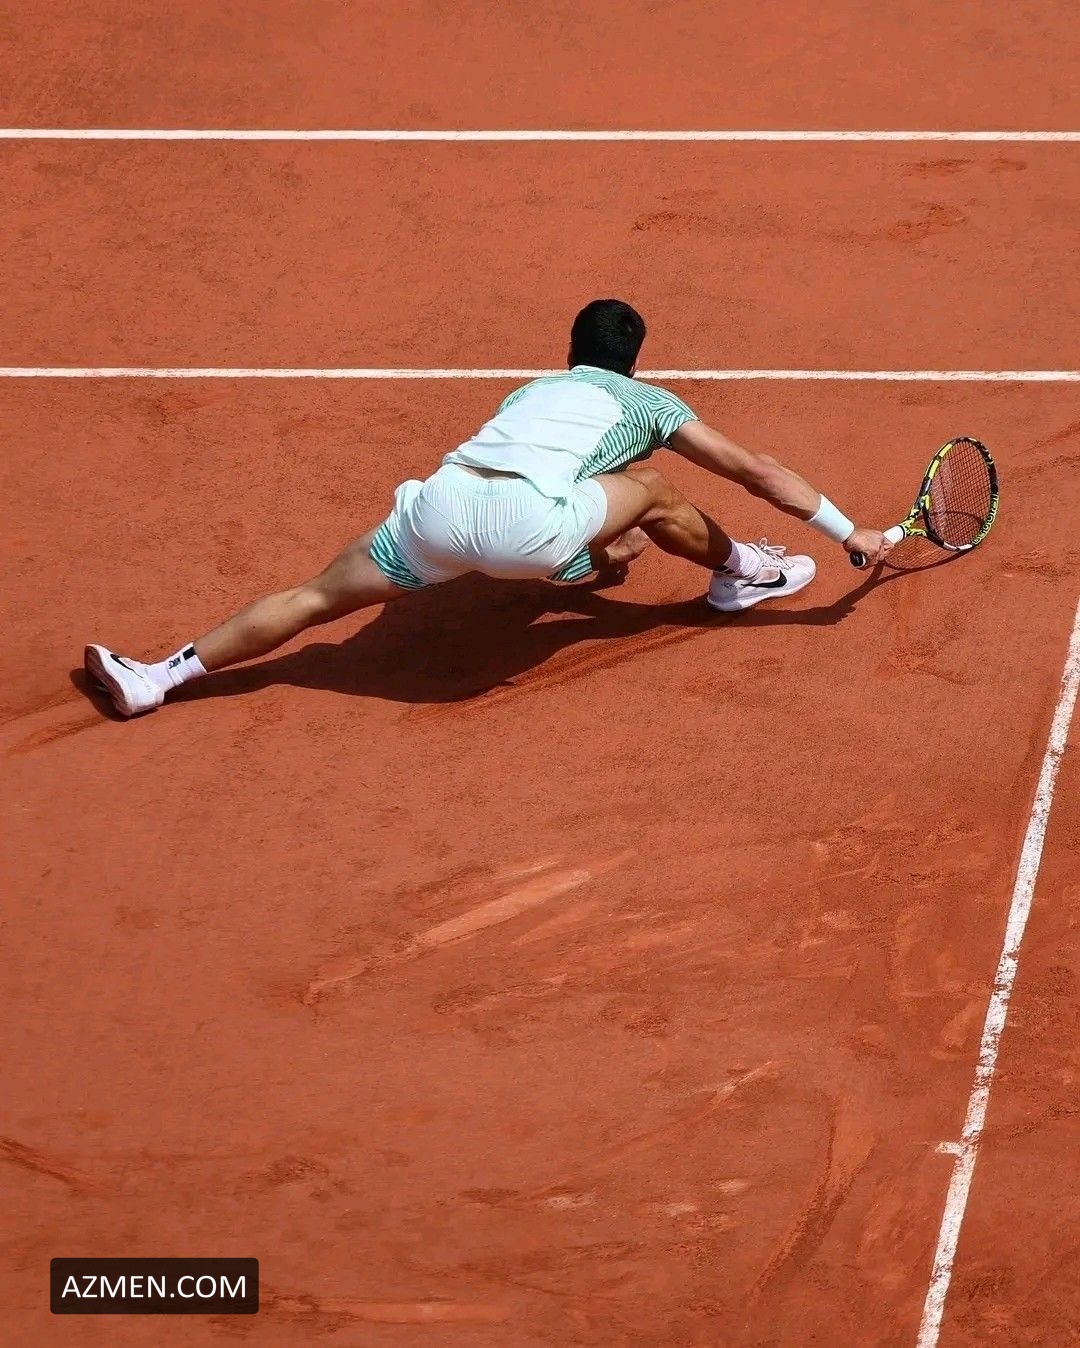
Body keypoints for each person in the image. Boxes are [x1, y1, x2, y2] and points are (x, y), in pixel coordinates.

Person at [85, 299, 891, 717]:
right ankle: (744, 574)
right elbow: (756, 471)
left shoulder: (532, 392)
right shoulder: (649, 403)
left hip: (441, 509)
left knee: (314, 598)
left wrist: (587, 557)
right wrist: (847, 529)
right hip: (528, 531)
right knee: (650, 486)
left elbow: (544, 489)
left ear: (570, 352)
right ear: (634, 361)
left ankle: (157, 677)